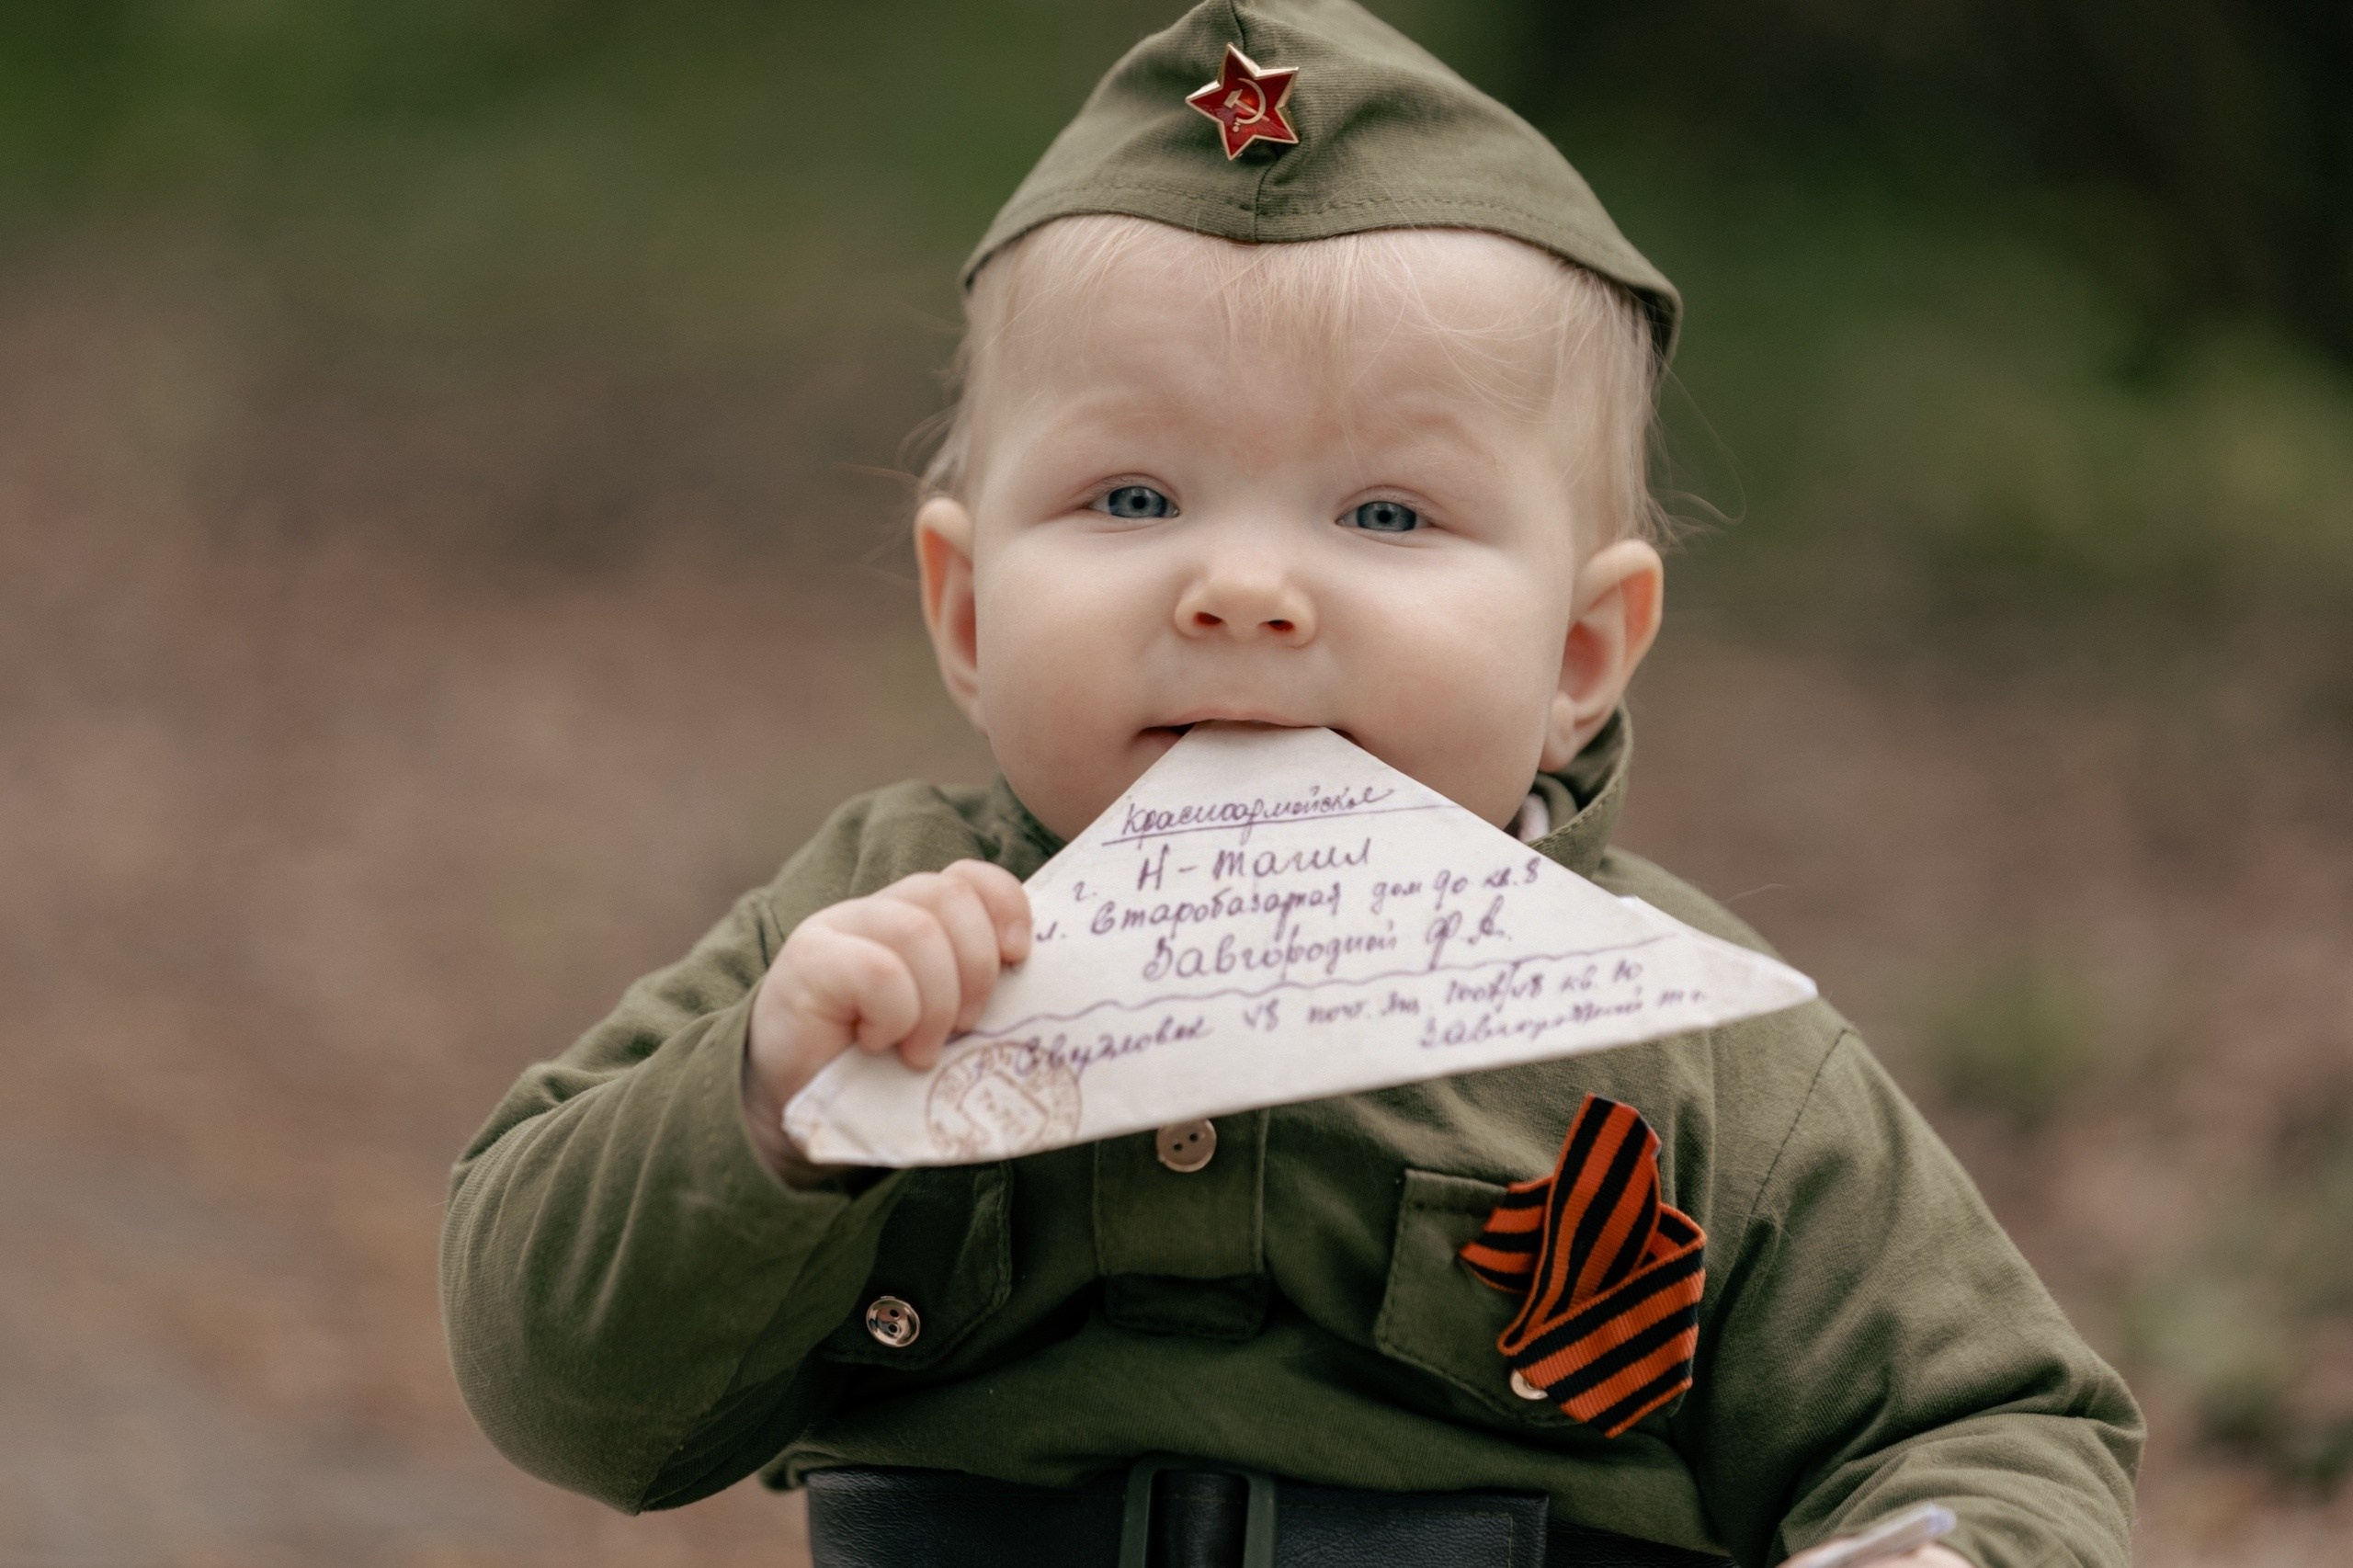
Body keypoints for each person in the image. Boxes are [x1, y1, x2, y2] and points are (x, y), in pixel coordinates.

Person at [438, 4, 2141, 1564]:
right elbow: (553, 1383)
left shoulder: (1694, 1044)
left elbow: (1987, 1419)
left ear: (1579, 651)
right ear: (963, 607)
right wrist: (763, 1111)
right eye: (1129, 499)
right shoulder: (877, 943)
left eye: (1387, 517)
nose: (1242, 588)